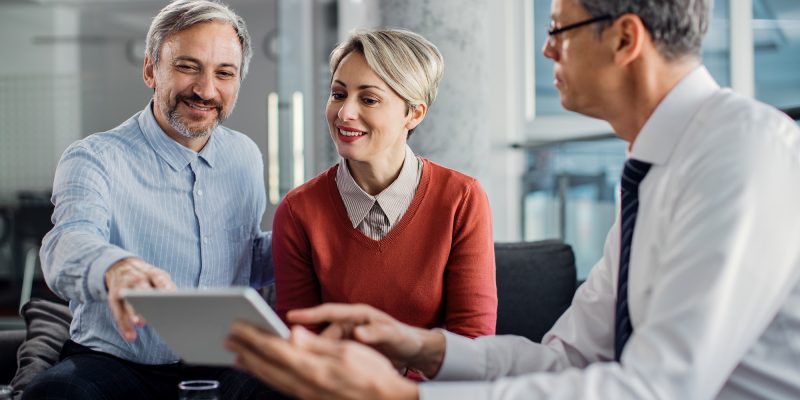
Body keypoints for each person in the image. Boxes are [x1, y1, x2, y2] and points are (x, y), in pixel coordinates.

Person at [224, 0, 800, 399]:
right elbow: (567, 359)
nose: (548, 50)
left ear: (625, 38)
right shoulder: (652, 169)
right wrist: (420, 345)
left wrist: (402, 395)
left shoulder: (739, 150)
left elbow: (655, 388)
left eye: (559, 29)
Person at [25, 1, 278, 399]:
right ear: (150, 70)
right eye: (187, 66)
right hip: (114, 360)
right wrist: (115, 268)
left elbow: (244, 257)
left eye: (224, 73)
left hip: (226, 360)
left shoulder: (245, 155)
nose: (205, 90)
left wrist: (314, 239)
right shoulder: (94, 157)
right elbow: (66, 243)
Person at [272, 29, 497, 345]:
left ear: (414, 114)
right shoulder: (298, 212)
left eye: (369, 99)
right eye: (338, 94)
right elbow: (300, 341)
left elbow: (473, 340)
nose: (345, 113)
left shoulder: (462, 199)